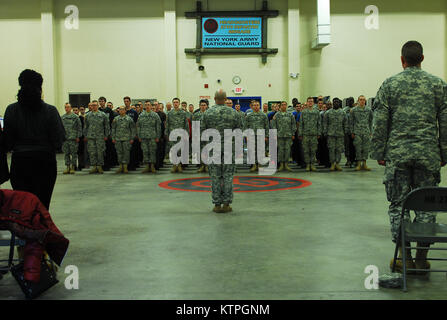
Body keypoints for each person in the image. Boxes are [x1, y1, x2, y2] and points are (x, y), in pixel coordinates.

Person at [371, 40, 447, 273]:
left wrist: (379, 152)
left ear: (402, 60)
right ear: (422, 59)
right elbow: (445, 122)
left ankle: (404, 258)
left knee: (398, 205)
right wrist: (443, 152)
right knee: (426, 206)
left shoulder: (390, 85)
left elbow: (380, 121)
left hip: (398, 155)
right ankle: (422, 258)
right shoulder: (438, 85)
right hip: (427, 155)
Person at [3, 69, 65, 210]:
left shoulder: (11, 110)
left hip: (20, 162)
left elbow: (7, 141)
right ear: (40, 87)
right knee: (42, 205)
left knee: (24, 205)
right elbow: (58, 140)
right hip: (45, 162)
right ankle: (41, 229)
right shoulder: (51, 111)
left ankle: (26, 230)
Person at [203, 90, 241, 213]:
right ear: (225, 99)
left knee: (215, 177)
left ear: (214, 99)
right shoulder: (234, 113)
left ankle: (217, 205)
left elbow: (203, 133)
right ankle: (226, 204)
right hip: (229, 148)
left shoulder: (207, 113)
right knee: (228, 177)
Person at [84, 100, 110, 174]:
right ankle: (94, 166)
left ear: (98, 106)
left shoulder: (103, 115)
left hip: (100, 137)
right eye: (93, 105)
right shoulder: (88, 115)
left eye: (95, 105)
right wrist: (85, 135)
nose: (94, 106)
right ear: (91, 106)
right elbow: (86, 126)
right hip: (90, 137)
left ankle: (100, 166)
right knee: (92, 152)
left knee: (100, 152)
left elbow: (107, 126)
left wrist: (106, 135)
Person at [165, 98, 189, 173]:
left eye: (177, 102)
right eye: (174, 102)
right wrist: (167, 134)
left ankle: (179, 166)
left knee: (180, 151)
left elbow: (186, 125)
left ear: (179, 103)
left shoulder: (183, 113)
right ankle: (174, 165)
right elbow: (167, 125)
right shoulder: (169, 113)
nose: (175, 104)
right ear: (172, 104)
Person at [244, 100, 269, 172]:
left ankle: (260, 165)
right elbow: (246, 127)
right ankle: (254, 165)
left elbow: (266, 126)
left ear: (259, 106)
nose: (256, 106)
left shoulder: (263, 115)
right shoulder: (249, 116)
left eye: (257, 105)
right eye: (254, 105)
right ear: (252, 106)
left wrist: (266, 136)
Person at [137, 101, 161, 174]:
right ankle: (147, 166)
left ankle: (152, 166)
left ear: (151, 106)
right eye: (146, 105)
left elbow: (158, 126)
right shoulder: (141, 115)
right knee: (145, 151)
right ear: (144, 106)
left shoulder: (155, 115)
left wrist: (158, 136)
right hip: (144, 137)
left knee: (152, 151)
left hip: (152, 136)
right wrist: (139, 136)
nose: (147, 106)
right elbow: (138, 126)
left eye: (149, 105)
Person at [350, 95, 373, 171]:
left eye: (363, 100)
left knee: (366, 148)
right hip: (357, 132)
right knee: (358, 148)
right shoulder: (353, 110)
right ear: (358, 101)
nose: (362, 101)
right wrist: (352, 132)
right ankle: (359, 164)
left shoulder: (369, 110)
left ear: (365, 101)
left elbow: (371, 121)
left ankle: (365, 164)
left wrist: (371, 131)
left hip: (366, 131)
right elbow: (351, 122)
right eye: (360, 100)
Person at [299, 97, 321, 172]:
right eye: (309, 101)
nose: (310, 102)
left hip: (314, 134)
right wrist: (300, 133)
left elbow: (319, 123)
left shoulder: (316, 112)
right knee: (306, 150)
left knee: (313, 150)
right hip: (305, 134)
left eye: (311, 101)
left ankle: (312, 164)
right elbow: (301, 124)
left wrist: (319, 133)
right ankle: (308, 164)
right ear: (307, 102)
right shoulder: (303, 112)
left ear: (313, 103)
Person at [272, 101, 296, 172]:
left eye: (285, 105)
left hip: (288, 135)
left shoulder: (290, 115)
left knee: (287, 150)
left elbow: (293, 125)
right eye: (282, 105)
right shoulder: (277, 115)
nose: (284, 106)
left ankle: (286, 164)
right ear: (280, 106)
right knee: (281, 150)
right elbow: (274, 125)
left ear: (286, 106)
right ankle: (281, 164)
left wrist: (293, 134)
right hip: (280, 135)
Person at [323, 98, 346, 171]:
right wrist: (325, 132)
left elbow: (345, 123)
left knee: (339, 149)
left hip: (340, 134)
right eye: (334, 102)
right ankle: (332, 164)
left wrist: (345, 132)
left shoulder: (343, 112)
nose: (336, 103)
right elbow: (325, 124)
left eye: (337, 102)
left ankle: (337, 164)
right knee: (331, 149)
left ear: (339, 103)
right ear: (333, 103)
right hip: (331, 134)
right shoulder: (328, 113)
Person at [112, 106, 136, 174]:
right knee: (119, 153)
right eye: (120, 109)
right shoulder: (115, 119)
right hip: (118, 138)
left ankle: (125, 167)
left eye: (123, 109)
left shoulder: (129, 119)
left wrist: (132, 138)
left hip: (127, 139)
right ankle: (120, 166)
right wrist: (113, 138)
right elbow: (113, 129)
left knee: (126, 153)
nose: (121, 111)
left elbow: (133, 129)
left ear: (125, 111)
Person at [61, 103, 82, 174]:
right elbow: (61, 128)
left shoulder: (75, 117)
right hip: (65, 138)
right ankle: (67, 167)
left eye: (68, 107)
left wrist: (78, 136)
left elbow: (79, 127)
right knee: (66, 154)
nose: (66, 108)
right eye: (65, 107)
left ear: (71, 108)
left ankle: (73, 166)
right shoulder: (62, 117)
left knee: (73, 153)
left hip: (73, 138)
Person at [192, 99, 209, 173]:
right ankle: (202, 165)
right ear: (199, 106)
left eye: (204, 105)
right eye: (201, 105)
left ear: (207, 106)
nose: (203, 106)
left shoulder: (210, 114)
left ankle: (207, 166)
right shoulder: (196, 115)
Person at [343, 97, 356, 167]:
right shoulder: (344, 110)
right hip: (347, 131)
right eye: (348, 101)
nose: (350, 102)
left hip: (355, 131)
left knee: (355, 146)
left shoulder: (356, 109)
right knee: (347, 146)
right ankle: (348, 160)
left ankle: (355, 160)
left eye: (351, 101)